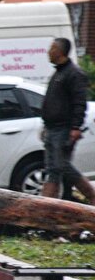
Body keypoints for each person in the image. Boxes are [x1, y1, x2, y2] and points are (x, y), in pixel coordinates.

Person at [41, 37, 95, 202]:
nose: (48, 52)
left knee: (62, 166)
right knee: (53, 169)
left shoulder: (74, 74)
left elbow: (79, 103)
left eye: (52, 48)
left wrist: (75, 127)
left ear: (60, 51)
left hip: (63, 129)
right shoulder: (58, 72)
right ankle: (47, 206)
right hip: (52, 128)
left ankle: (92, 195)